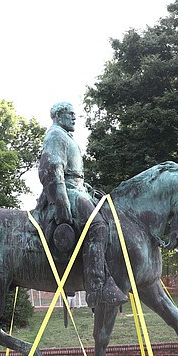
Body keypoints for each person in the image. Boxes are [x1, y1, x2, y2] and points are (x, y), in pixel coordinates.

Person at [36, 101, 127, 308]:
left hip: (78, 189)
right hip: (68, 192)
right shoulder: (55, 135)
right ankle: (96, 289)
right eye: (70, 114)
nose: (74, 117)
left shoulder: (65, 137)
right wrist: (61, 202)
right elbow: (51, 169)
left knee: (109, 220)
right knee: (98, 226)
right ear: (59, 115)